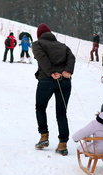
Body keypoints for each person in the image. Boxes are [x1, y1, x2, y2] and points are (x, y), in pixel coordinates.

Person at [32, 23, 76, 156]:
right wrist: (68, 71)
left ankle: (44, 137)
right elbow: (72, 58)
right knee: (61, 112)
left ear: (39, 35)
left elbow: (42, 58)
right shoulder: (63, 46)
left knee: (40, 107)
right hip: (65, 81)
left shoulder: (37, 44)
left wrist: (51, 72)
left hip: (47, 80)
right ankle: (63, 144)